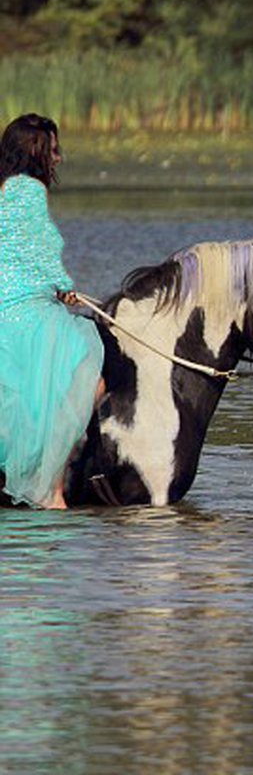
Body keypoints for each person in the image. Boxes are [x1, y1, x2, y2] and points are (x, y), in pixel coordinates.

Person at [0, 113, 104, 508]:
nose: (59, 159)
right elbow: (39, 255)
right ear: (36, 152)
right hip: (26, 310)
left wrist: (56, 289)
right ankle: (53, 488)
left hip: (9, 304)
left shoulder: (6, 188)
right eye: (54, 150)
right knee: (87, 380)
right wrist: (62, 288)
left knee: (30, 398)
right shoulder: (29, 190)